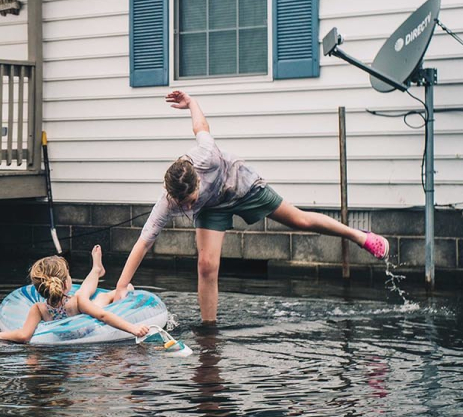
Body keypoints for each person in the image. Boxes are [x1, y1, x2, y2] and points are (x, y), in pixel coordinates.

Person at [113, 91, 390, 328]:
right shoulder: (168, 200)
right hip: (214, 207)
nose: (187, 207)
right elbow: (145, 240)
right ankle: (209, 330)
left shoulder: (206, 156)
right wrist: (122, 285)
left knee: (300, 220)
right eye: (183, 204)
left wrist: (192, 103)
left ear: (197, 180)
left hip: (240, 185)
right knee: (206, 265)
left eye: (191, 199)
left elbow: (200, 128)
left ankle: (360, 237)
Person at [0, 246, 152, 342]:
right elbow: (102, 315)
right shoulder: (78, 301)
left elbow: (23, 335)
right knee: (101, 297)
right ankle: (101, 272)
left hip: (80, 322)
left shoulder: (38, 309)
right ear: (66, 283)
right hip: (87, 326)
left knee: (86, 294)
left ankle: (97, 269)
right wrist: (134, 328)